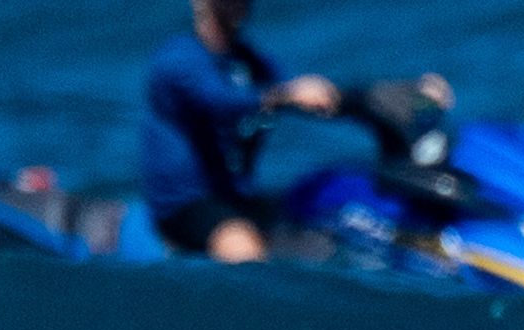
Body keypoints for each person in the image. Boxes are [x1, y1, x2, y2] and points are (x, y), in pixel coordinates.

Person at [140, 0, 450, 264]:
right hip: (186, 205)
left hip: (236, 199)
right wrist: (282, 96)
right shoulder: (178, 61)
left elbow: (317, 96)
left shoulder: (250, 63)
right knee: (243, 250)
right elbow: (221, 100)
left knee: (325, 240)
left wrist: (407, 94)